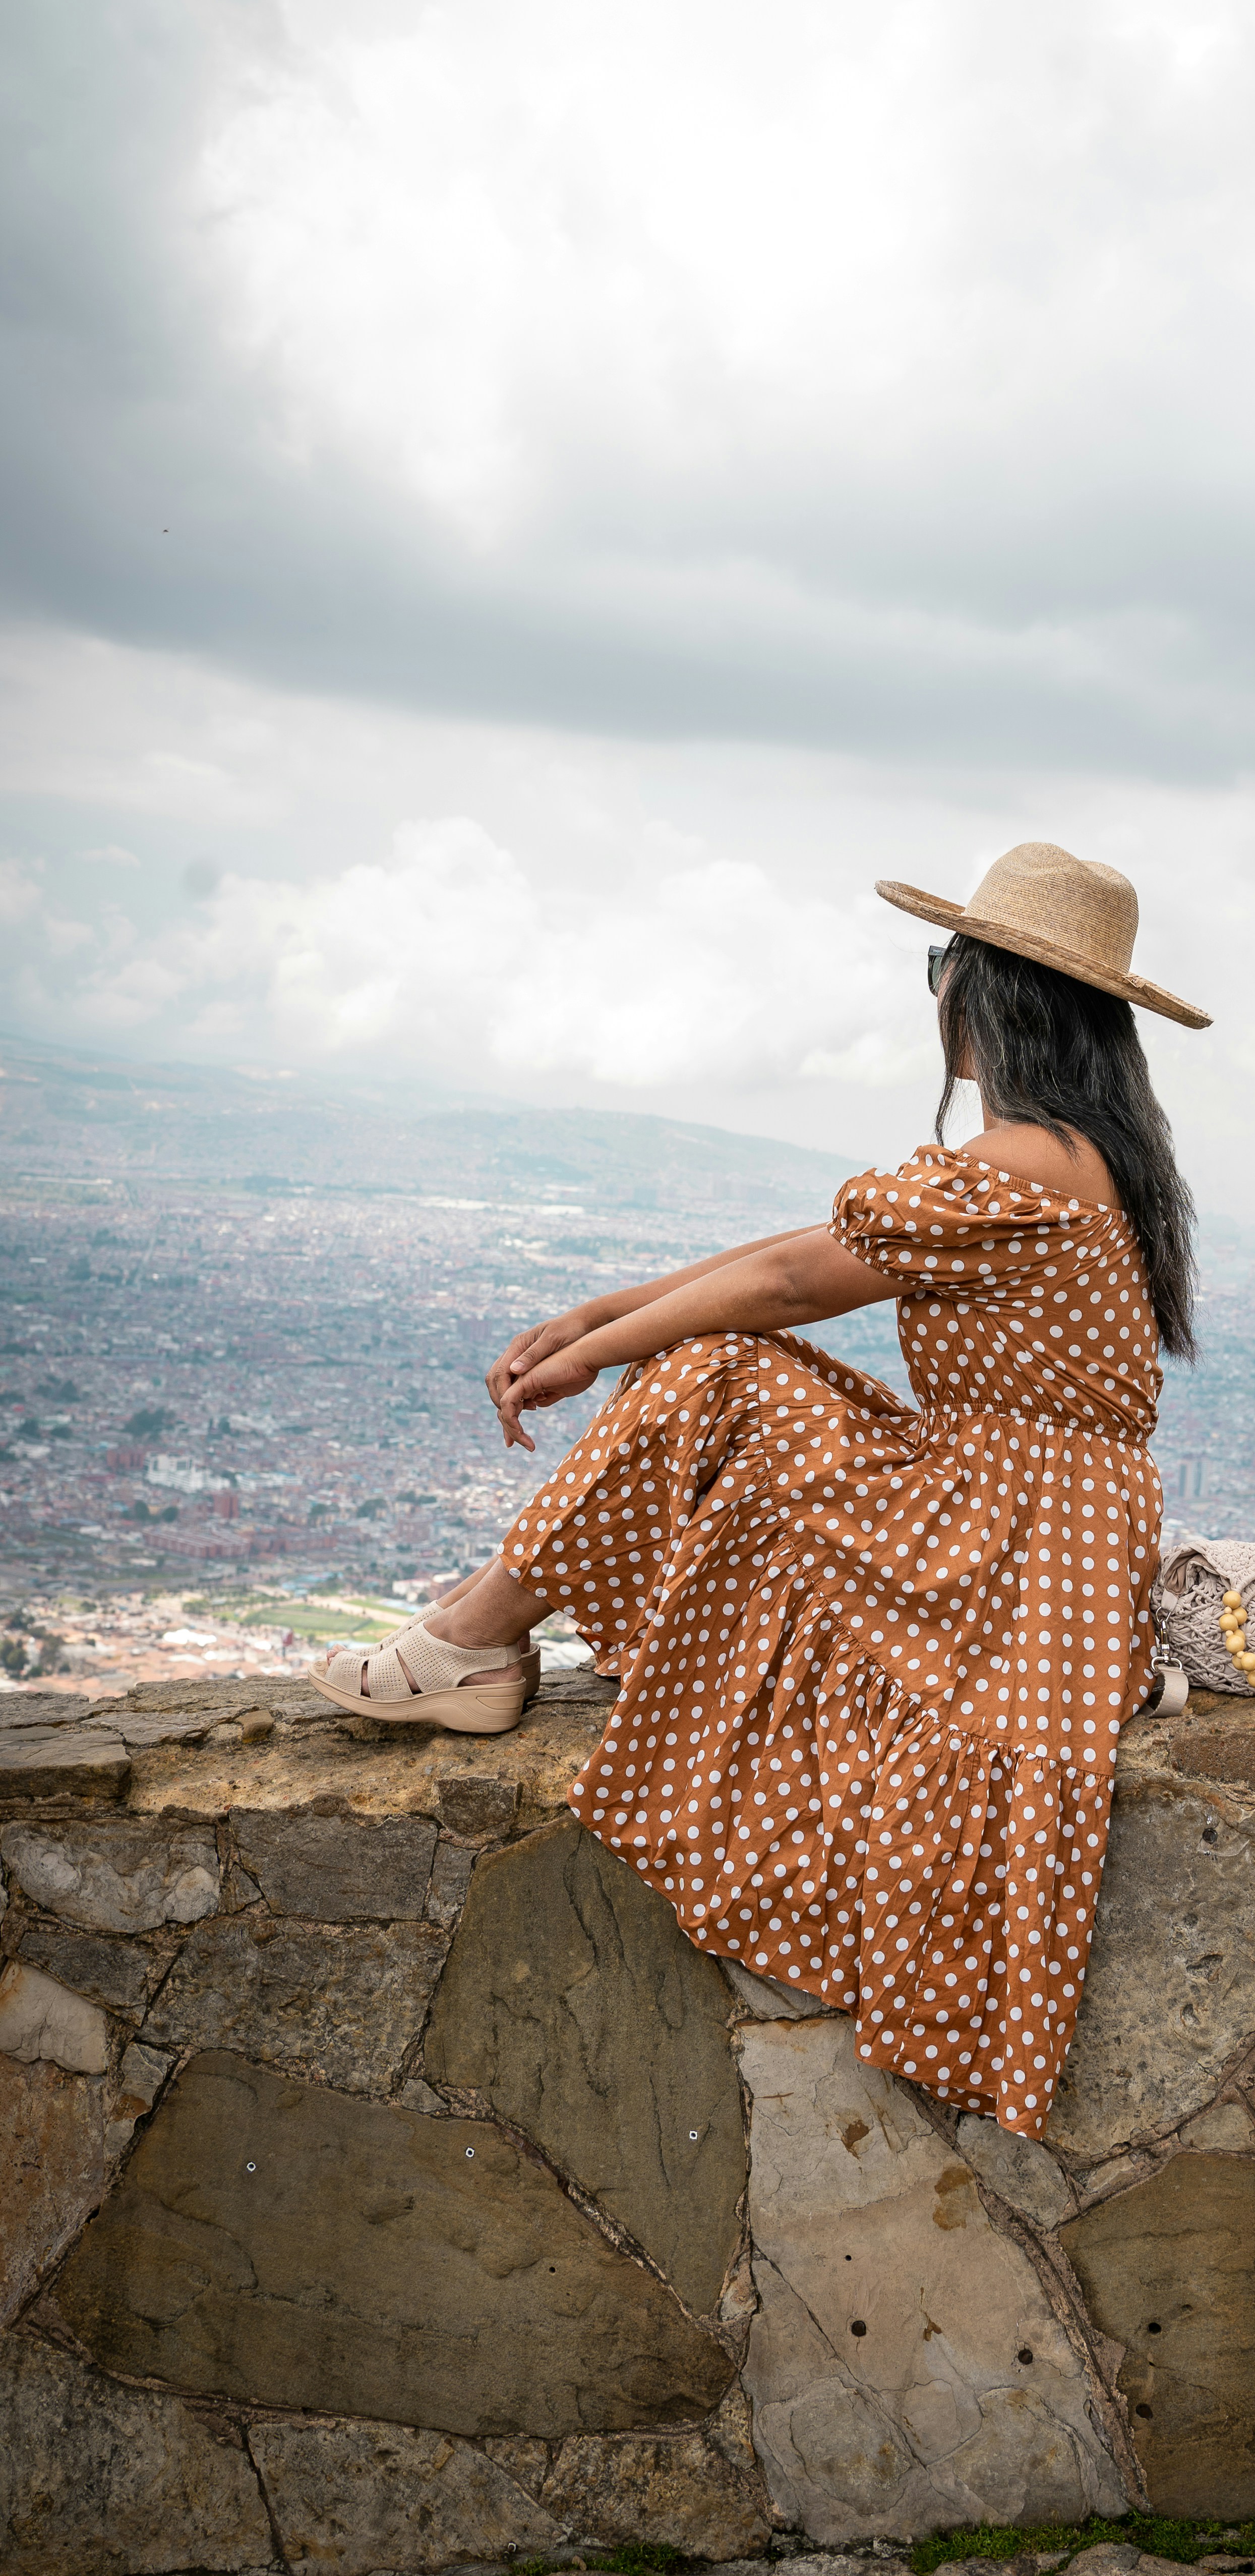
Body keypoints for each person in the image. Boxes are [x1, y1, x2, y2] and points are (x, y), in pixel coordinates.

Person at [312, 842, 1208, 2138]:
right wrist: (611, 1311)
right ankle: (479, 1630)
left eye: (942, 966)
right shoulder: (1078, 1156)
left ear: (991, 990)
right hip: (1035, 1527)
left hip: (1004, 1538)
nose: (936, 991)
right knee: (719, 1361)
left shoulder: (1027, 1161)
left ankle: (472, 1637)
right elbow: (809, 1254)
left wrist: (594, 1352)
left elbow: (794, 1285)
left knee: (721, 1377)